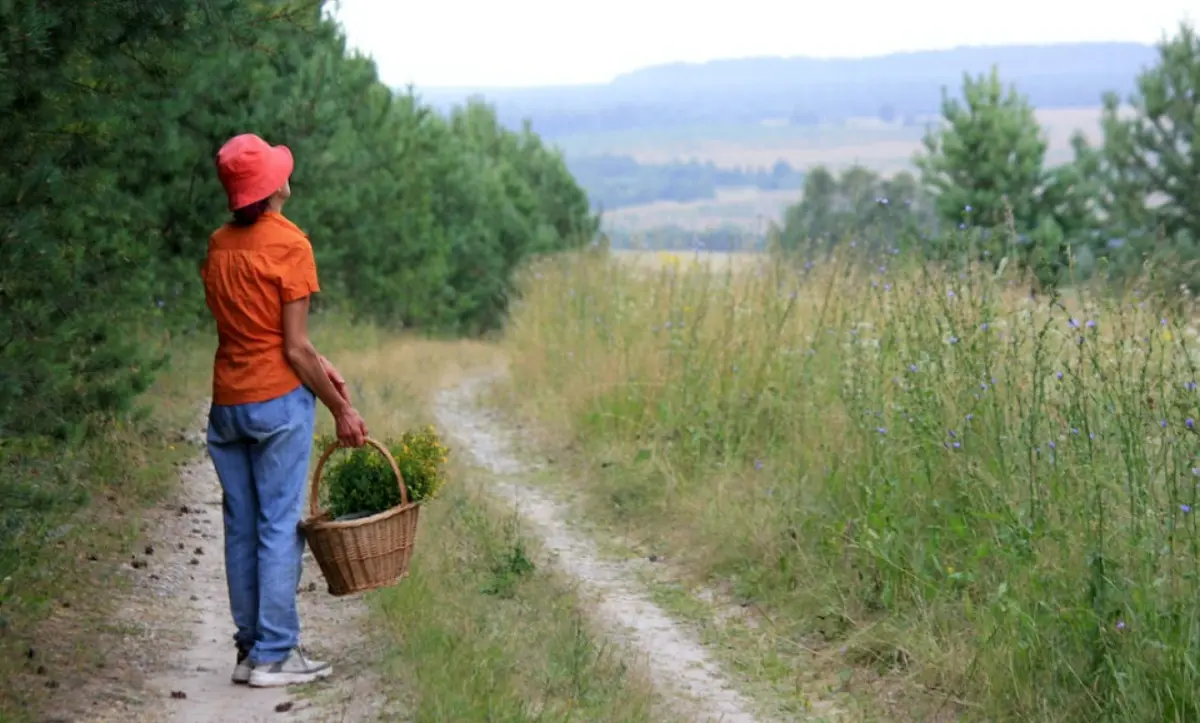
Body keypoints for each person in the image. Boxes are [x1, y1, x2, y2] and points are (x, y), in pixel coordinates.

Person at [201, 133, 369, 689]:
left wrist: (320, 363)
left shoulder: (219, 245)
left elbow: (253, 330)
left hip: (228, 405)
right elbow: (293, 348)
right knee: (277, 528)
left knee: (241, 526)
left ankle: (250, 649)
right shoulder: (290, 245)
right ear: (275, 186)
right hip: (276, 405)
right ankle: (275, 655)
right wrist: (341, 407)